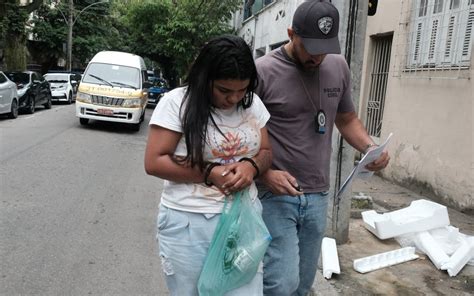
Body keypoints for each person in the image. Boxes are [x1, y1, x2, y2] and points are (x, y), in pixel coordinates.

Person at [254, 1, 390, 295]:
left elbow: (346, 118)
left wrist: (370, 147)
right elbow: (243, 132)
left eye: (324, 48)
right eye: (310, 48)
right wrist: (264, 175)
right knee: (281, 283)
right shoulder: (262, 72)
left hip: (318, 194)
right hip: (276, 192)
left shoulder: (337, 65)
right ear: (292, 34)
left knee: (302, 285)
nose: (317, 57)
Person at [144, 35, 272, 296]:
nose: (234, 98)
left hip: (242, 221)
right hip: (189, 223)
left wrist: (252, 166)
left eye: (242, 90)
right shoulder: (177, 103)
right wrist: (208, 173)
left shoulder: (253, 105)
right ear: (205, 79)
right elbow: (155, 161)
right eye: (225, 90)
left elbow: (267, 151)